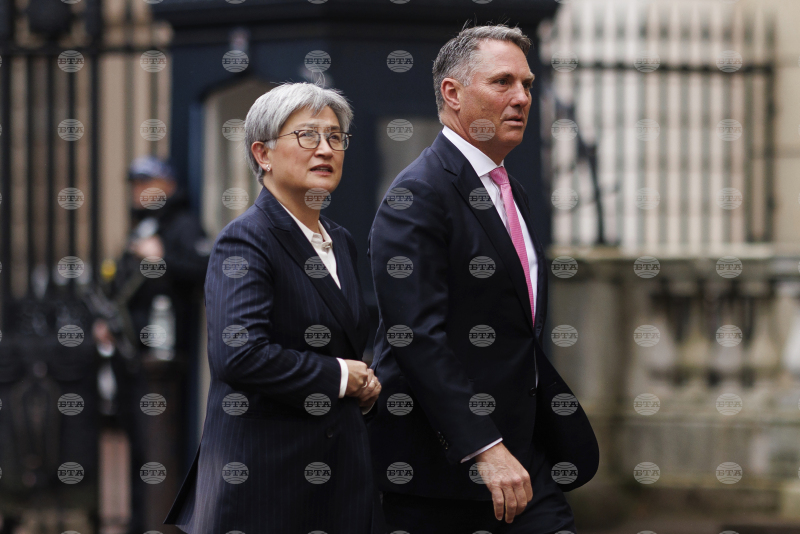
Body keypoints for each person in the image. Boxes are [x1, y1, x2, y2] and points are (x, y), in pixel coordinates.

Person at [366, 23, 599, 533]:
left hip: (526, 455)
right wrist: (484, 447)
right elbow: (415, 336)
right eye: (502, 82)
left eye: (527, 84)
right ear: (452, 93)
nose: (522, 98)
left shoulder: (510, 188)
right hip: (440, 471)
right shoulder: (417, 195)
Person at [164, 82, 381, 533]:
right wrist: (342, 377)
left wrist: (365, 382)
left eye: (335, 137)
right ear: (263, 154)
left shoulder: (340, 241)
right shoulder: (247, 238)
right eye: (307, 135)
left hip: (336, 485)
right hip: (264, 490)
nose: (326, 149)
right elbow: (238, 354)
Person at [91, 155, 211, 534]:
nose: (139, 191)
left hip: (162, 362)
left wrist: (163, 257)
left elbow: (204, 268)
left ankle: (159, 523)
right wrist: (107, 323)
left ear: (169, 186)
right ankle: (137, 520)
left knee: (157, 448)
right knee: (135, 445)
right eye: (135, 184)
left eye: (147, 182)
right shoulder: (141, 225)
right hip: (129, 355)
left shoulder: (183, 224)